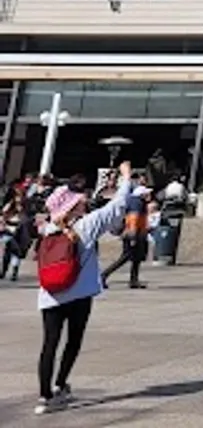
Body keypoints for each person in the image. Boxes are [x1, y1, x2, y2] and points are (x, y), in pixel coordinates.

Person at [36, 161, 140, 415]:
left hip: (50, 294)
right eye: (79, 201)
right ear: (72, 206)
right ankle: (60, 385)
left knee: (49, 344)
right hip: (80, 294)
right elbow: (117, 206)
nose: (84, 202)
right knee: (73, 340)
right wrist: (126, 177)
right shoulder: (86, 226)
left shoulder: (47, 230)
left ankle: (44, 397)